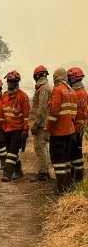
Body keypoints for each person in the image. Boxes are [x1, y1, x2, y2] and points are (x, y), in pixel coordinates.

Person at [45, 67, 77, 195]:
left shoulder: (58, 90)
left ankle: (60, 189)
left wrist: (48, 128)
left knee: (58, 162)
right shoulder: (72, 91)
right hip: (70, 131)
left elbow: (53, 113)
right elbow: (74, 113)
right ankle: (68, 187)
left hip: (58, 132)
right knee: (67, 161)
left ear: (56, 77)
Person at [0, 70, 30, 182]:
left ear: (17, 82)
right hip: (6, 129)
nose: (9, 83)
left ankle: (7, 174)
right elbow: (1, 114)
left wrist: (25, 130)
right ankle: (19, 171)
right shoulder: (4, 96)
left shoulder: (23, 96)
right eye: (8, 81)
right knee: (9, 151)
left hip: (18, 130)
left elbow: (26, 116)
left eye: (12, 81)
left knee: (12, 152)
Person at [29, 65, 52, 182]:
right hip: (45, 123)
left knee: (40, 148)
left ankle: (43, 173)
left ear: (36, 75)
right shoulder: (46, 87)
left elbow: (42, 108)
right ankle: (45, 171)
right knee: (45, 148)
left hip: (41, 124)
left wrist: (36, 124)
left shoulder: (43, 89)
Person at [67, 67, 87, 184]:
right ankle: (78, 176)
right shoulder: (83, 92)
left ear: (73, 79)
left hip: (75, 127)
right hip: (81, 126)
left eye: (69, 78)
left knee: (73, 151)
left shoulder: (75, 93)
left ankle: (76, 177)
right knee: (77, 151)